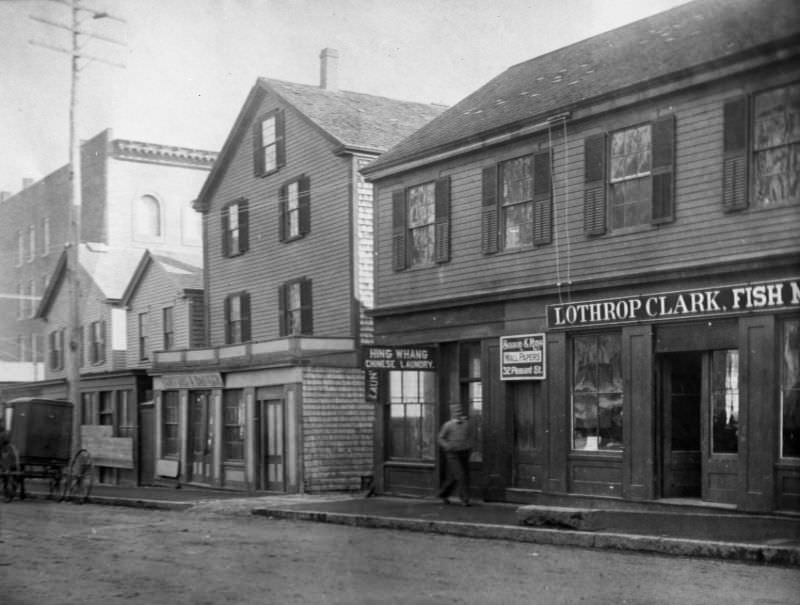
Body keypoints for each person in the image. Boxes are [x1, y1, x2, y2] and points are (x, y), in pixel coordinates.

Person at [436, 403, 474, 506]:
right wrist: (447, 446)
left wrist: (470, 447)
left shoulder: (467, 424)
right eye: (456, 411)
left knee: (455, 476)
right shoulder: (448, 425)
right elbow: (440, 438)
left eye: (460, 411)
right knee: (461, 475)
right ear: (452, 413)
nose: (459, 413)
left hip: (464, 453)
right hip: (452, 454)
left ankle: (443, 494)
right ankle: (465, 499)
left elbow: (470, 436)